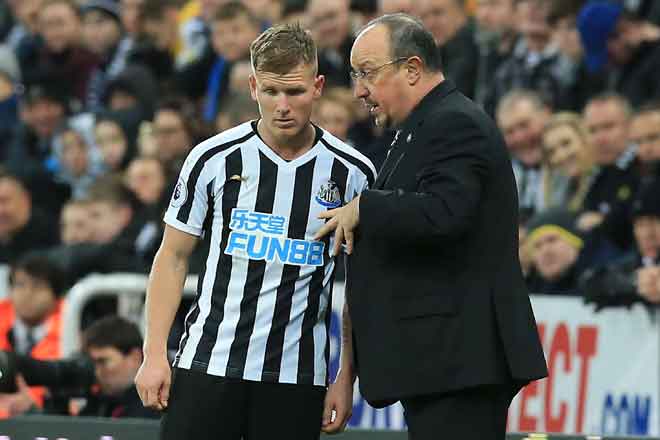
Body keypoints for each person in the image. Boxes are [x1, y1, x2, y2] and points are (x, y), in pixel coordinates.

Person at [134, 23, 376, 440]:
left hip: (296, 375)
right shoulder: (212, 159)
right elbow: (172, 256)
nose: (283, 105)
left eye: (295, 92)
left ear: (317, 87)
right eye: (271, 91)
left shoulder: (353, 173)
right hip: (209, 362)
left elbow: (362, 284)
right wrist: (154, 353)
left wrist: (345, 376)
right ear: (252, 87)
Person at [315, 14, 547, 440]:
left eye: (367, 73)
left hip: (462, 365)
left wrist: (365, 206)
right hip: (440, 364)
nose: (358, 90)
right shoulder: (418, 130)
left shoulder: (455, 124)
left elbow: (445, 213)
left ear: (413, 68)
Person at [78, 316, 160, 418]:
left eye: (103, 361)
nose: (97, 372)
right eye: (93, 363)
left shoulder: (157, 407)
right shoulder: (97, 405)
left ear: (135, 357)